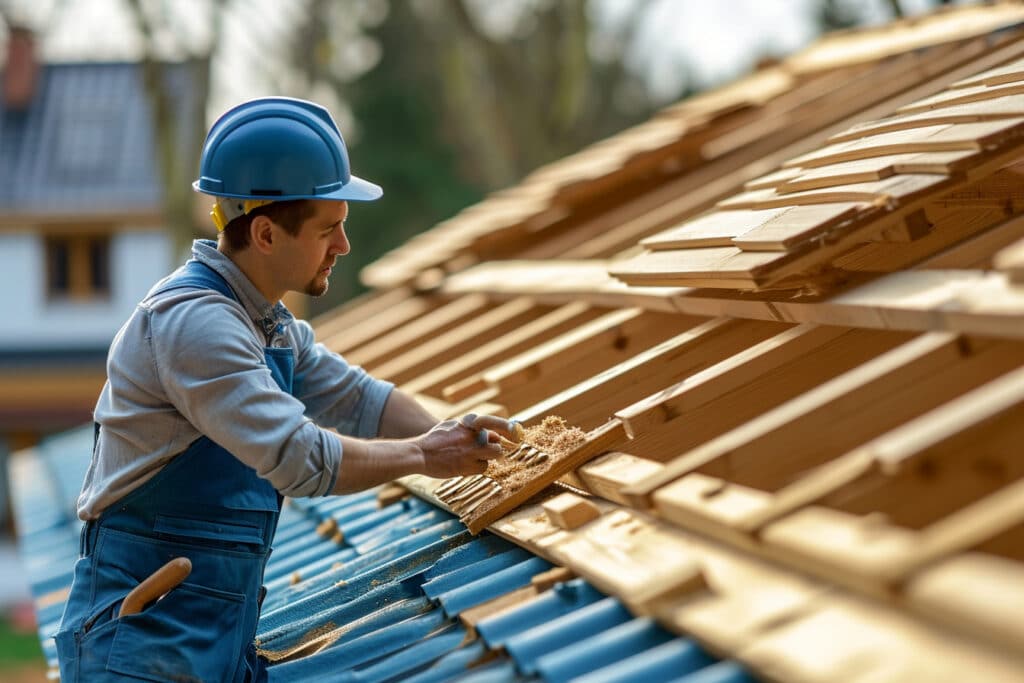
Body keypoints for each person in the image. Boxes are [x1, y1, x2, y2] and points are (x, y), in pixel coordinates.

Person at [54, 96, 516, 682]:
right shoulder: (195, 325)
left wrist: (457, 438)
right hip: (138, 652)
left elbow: (358, 399)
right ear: (267, 234)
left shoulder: (264, 323)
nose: (343, 246)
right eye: (329, 229)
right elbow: (300, 459)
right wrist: (427, 455)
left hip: (206, 645)